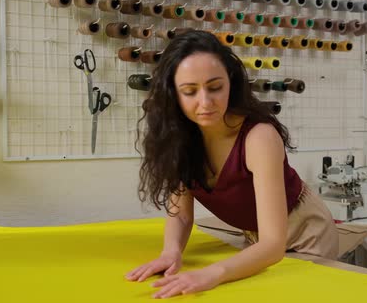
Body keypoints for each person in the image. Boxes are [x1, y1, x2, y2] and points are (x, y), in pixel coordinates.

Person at [126, 30, 338, 299]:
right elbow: (180, 213)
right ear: (173, 94)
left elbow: (273, 245)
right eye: (190, 91)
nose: (205, 103)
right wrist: (171, 252)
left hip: (306, 235)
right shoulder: (179, 139)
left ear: (231, 83)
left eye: (215, 87)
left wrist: (210, 274)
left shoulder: (258, 137)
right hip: (256, 239)